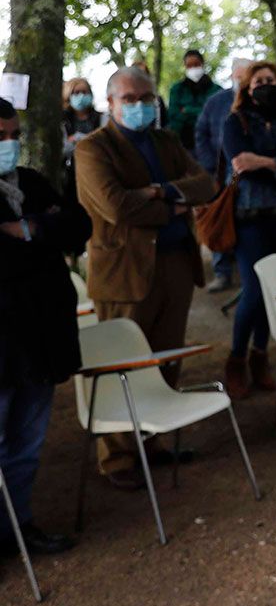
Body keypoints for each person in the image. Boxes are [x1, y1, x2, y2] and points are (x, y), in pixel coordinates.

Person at [75, 67, 217, 488]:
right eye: (130, 99)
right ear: (112, 103)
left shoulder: (166, 140)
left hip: (175, 263)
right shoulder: (93, 149)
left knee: (164, 357)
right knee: (122, 362)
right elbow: (116, 207)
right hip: (124, 272)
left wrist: (157, 191)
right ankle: (117, 457)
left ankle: (150, 442)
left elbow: (205, 183)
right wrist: (172, 202)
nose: (140, 106)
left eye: (146, 98)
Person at [0, 96, 91, 558]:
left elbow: (79, 225)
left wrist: (27, 230)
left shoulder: (32, 182)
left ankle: (18, 527)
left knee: (27, 444)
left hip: (41, 337)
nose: (9, 145)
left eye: (14, 135)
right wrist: (46, 230)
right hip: (3, 340)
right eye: (1, 137)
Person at [219, 61, 276, 398]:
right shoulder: (236, 121)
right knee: (254, 289)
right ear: (247, 87)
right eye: (259, 81)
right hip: (249, 218)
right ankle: (236, 358)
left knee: (272, 290)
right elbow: (240, 163)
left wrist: (267, 161)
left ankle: (260, 356)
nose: (265, 85)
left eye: (271, 80)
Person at [195, 57, 253, 293]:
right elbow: (201, 133)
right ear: (232, 77)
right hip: (221, 174)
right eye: (239, 77)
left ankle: (248, 275)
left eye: (247, 77)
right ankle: (222, 273)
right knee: (220, 219)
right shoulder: (216, 102)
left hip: (251, 177)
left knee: (247, 225)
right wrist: (210, 165)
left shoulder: (258, 102)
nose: (242, 81)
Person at [167, 49, 221, 153]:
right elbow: (173, 116)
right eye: (189, 66)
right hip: (184, 144)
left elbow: (216, 115)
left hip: (211, 143)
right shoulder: (177, 89)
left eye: (196, 64)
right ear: (185, 66)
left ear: (202, 64)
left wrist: (187, 110)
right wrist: (202, 111)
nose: (193, 68)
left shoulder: (216, 90)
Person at [62, 77, 104, 171]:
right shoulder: (63, 120)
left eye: (85, 92)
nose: (81, 96)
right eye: (76, 93)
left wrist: (76, 139)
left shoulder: (101, 117)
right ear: (68, 95)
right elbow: (62, 148)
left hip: (97, 166)